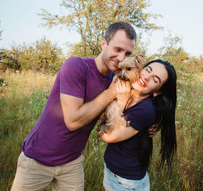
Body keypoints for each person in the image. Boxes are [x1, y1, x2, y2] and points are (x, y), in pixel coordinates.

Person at [11, 21, 137, 191]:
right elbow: (73, 121)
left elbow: (141, 94)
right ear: (104, 44)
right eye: (117, 49)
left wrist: (153, 121)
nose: (121, 58)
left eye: (128, 53)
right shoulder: (76, 66)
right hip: (36, 159)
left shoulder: (116, 78)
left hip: (72, 162)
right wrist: (111, 93)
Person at [102, 59, 177, 191]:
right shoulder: (125, 87)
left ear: (158, 91)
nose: (146, 77)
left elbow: (109, 136)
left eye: (155, 80)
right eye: (148, 70)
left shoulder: (145, 110)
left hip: (125, 181)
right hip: (112, 170)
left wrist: (121, 103)